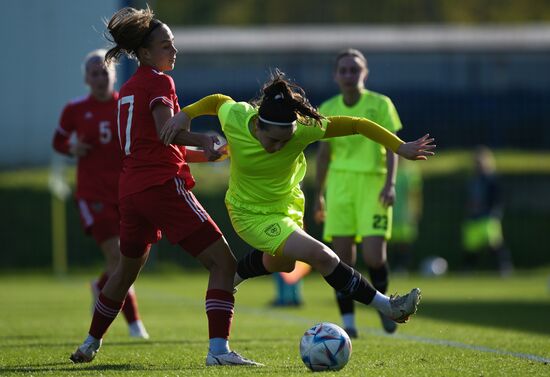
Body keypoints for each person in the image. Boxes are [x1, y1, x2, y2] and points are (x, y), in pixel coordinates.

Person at [161, 70, 435, 339]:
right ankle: (388, 306)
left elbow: (357, 124)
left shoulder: (304, 129)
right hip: (249, 213)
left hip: (289, 205)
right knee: (323, 256)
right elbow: (218, 100)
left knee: (283, 264)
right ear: (257, 124)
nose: (279, 147)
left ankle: (233, 275)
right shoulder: (237, 117)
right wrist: (186, 114)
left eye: (286, 141)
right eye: (273, 140)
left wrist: (400, 147)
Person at [69, 6, 261, 366]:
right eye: (166, 45)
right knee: (223, 263)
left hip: (132, 190)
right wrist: (203, 138)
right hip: (160, 187)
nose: (173, 51)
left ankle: (90, 342)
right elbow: (165, 132)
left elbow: (155, 144)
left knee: (125, 271)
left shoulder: (127, 88)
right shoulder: (159, 81)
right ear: (144, 53)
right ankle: (219, 351)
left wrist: (207, 154)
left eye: (173, 44)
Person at [52, 49, 149, 340]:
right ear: (86, 78)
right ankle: (135, 325)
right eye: (93, 73)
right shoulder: (75, 108)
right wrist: (72, 148)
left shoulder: (126, 106)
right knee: (119, 258)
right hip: (93, 194)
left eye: (104, 72)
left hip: (126, 192)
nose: (99, 77)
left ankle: (102, 286)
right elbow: (58, 140)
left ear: (114, 75)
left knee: (134, 257)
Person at [313, 48, 404, 337]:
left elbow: (393, 147)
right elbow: (324, 155)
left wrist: (390, 183)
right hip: (340, 186)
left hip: (373, 184)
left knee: (375, 255)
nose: (349, 75)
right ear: (335, 75)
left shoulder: (380, 104)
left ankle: (386, 307)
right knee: (342, 259)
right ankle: (348, 324)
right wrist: (320, 194)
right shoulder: (327, 106)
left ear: (364, 73)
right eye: (344, 70)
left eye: (355, 70)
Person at [462, 146, 513, 276]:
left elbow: (498, 199)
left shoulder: (492, 180)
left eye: (480, 162)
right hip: (474, 217)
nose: (477, 165)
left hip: (488, 216)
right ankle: (468, 269)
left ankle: (504, 267)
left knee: (494, 244)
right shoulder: (473, 180)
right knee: (471, 247)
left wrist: (495, 213)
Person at [388, 157, 423, 273]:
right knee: (391, 242)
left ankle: (403, 267)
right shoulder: (389, 170)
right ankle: (393, 267)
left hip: (405, 214)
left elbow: (415, 194)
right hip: (391, 212)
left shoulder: (411, 172)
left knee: (404, 242)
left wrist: (415, 210)